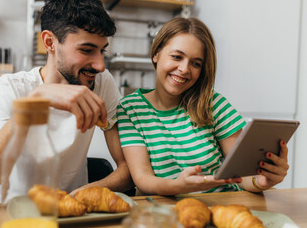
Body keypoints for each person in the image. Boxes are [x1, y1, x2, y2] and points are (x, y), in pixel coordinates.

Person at [0, 0, 132, 212]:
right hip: (10, 215)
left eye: (102, 51)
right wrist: (35, 100)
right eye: (87, 50)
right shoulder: (11, 88)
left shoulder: (101, 83)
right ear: (49, 42)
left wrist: (83, 194)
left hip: (71, 216)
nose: (100, 65)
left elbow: (127, 169)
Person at [117, 17, 289, 195]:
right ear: (156, 54)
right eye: (177, 56)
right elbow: (143, 179)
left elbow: (242, 175)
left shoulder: (213, 104)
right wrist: (178, 186)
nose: (184, 69)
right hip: (169, 211)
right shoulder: (130, 108)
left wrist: (261, 181)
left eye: (195, 63)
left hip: (224, 203)